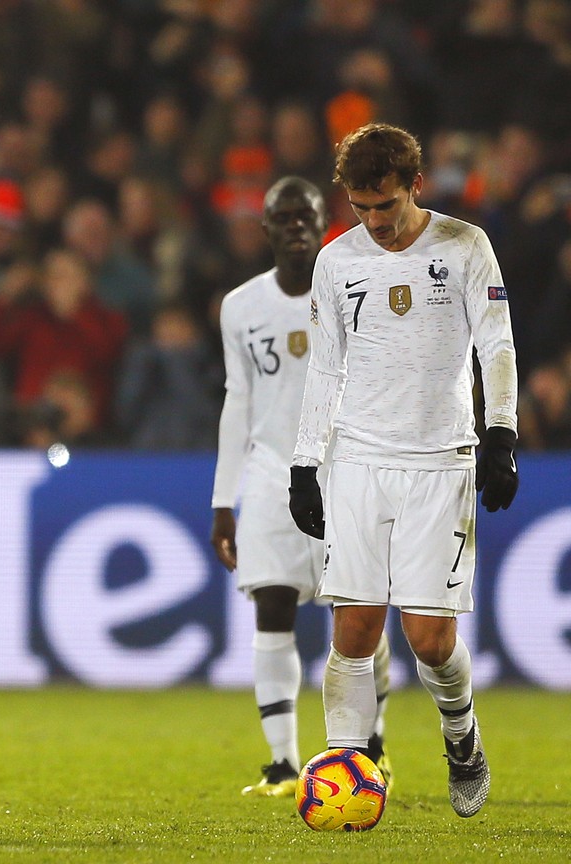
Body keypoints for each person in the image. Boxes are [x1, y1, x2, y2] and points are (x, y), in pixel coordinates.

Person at [289, 124, 518, 819]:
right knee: (353, 632)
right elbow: (325, 365)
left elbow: (496, 344)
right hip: (357, 456)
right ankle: (345, 774)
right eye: (360, 208)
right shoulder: (337, 261)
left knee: (430, 642)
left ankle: (460, 734)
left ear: (415, 185)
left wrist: (501, 433)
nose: (373, 221)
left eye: (383, 205)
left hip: (439, 459)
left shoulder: (465, 245)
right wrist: (305, 463)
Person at [211, 177, 393, 797]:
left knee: (361, 617)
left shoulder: (353, 286)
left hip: (347, 469)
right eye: (282, 218)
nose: (295, 226)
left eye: (305, 216)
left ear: (325, 223)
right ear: (265, 230)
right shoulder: (239, 307)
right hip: (268, 474)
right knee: (273, 606)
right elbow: (238, 402)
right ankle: (283, 763)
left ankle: (373, 746)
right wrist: (221, 501)